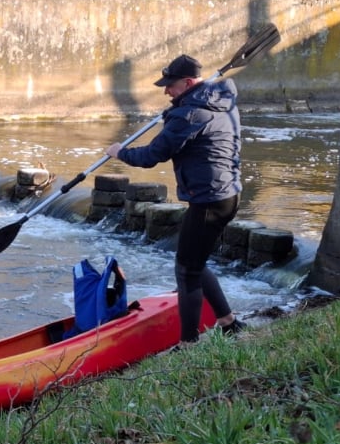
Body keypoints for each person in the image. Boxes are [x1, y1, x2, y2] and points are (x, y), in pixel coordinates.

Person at [105, 54, 247, 346]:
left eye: (170, 85)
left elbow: (153, 155)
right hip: (227, 193)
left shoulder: (192, 113)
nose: (166, 91)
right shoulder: (217, 100)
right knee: (194, 262)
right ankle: (229, 323)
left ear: (188, 82)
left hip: (209, 199)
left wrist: (120, 153)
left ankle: (188, 344)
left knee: (186, 269)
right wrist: (177, 109)